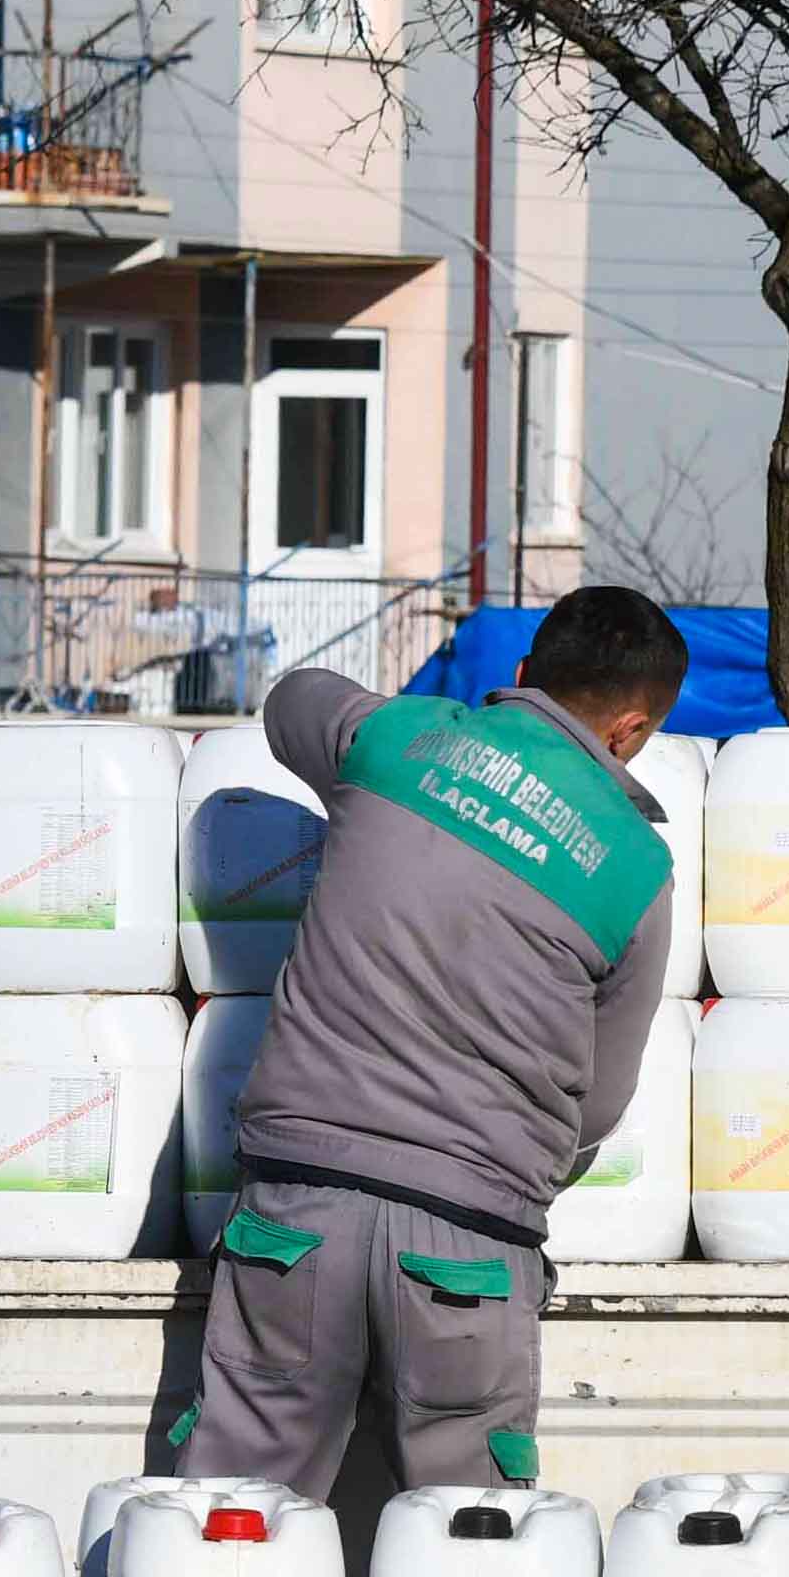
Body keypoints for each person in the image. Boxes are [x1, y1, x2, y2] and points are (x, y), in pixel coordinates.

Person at [177, 586, 690, 1498]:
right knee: (466, 1553)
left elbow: (292, 697)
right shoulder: (639, 875)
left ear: (524, 675)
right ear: (630, 730)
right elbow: (598, 1104)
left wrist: (415, 730)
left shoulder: (396, 739)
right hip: (471, 1240)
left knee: (236, 1519)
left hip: (297, 1211)